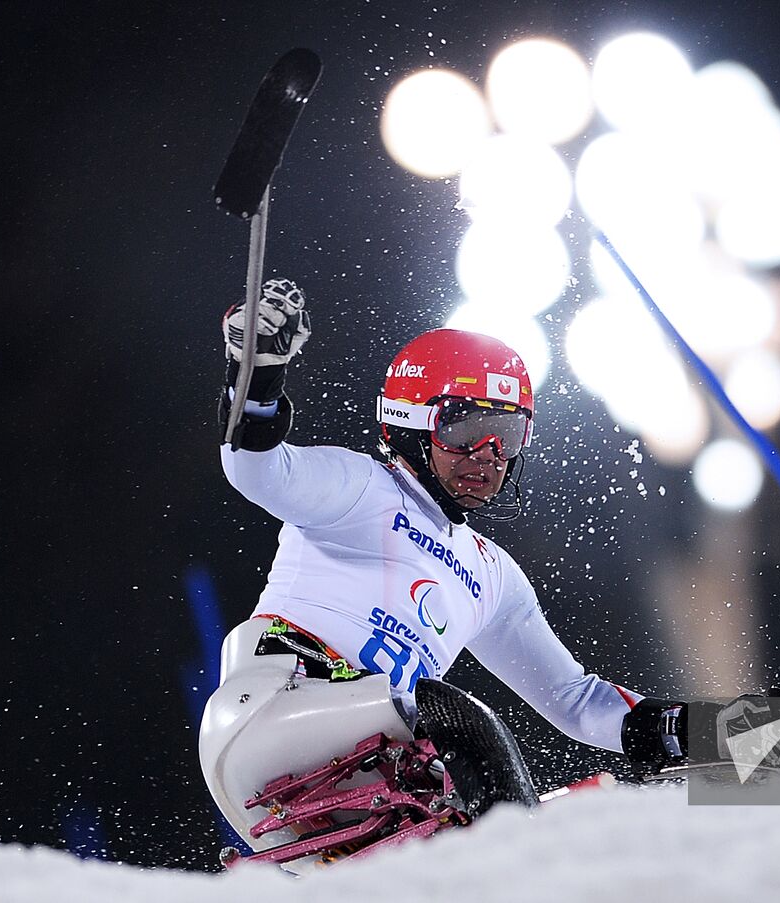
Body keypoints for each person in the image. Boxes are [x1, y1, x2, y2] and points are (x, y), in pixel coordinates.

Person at [199, 279, 689, 856]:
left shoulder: (493, 575)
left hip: (388, 764)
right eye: (463, 429)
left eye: (505, 436)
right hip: (277, 709)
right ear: (410, 423)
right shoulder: (365, 489)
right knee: (463, 725)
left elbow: (577, 704)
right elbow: (257, 472)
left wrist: (704, 732)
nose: (486, 455)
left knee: (590, 817)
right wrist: (255, 373)